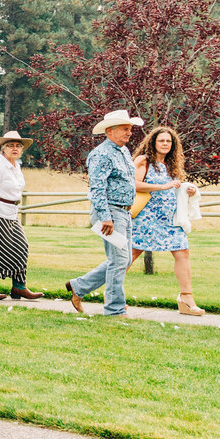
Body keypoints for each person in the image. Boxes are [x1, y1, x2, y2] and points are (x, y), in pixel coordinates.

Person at [66, 109, 144, 317]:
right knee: (119, 261)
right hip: (110, 212)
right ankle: (115, 309)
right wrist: (105, 217)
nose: (129, 133)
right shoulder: (101, 154)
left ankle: (78, 287)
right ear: (110, 131)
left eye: (130, 129)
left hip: (124, 212)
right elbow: (97, 188)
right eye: (125, 129)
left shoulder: (123, 151)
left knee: (123, 260)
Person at [130, 125, 203, 316]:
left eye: (168, 141)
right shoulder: (143, 160)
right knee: (132, 253)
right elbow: (134, 184)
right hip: (146, 217)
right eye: (161, 140)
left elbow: (175, 187)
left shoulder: (172, 165)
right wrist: (162, 186)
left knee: (183, 252)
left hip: (169, 218)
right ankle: (113, 294)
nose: (165, 144)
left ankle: (186, 299)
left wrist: (188, 190)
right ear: (153, 142)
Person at [0, 131, 45, 300]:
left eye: (18, 146)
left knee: (21, 246)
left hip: (11, 213)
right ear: (2, 149)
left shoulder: (16, 166)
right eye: (10, 146)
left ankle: (19, 287)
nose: (15, 148)